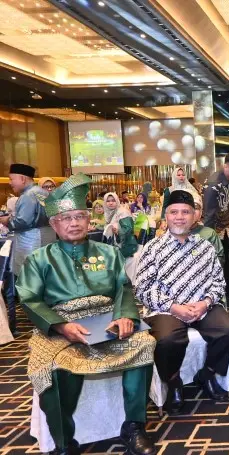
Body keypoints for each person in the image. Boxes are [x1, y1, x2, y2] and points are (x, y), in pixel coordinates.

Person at [18, 174, 156, 455]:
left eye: (79, 216)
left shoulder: (108, 253)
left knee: (144, 343)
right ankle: (64, 442)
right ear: (54, 224)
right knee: (50, 367)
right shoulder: (39, 259)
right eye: (66, 218)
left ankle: (134, 426)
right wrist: (61, 326)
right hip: (61, 326)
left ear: (88, 219)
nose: (74, 223)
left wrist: (124, 315)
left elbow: (123, 287)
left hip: (107, 321)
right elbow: (29, 299)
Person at [135, 190, 229, 416]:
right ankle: (174, 382)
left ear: (194, 216)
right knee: (167, 339)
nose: (180, 217)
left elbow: (218, 282)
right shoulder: (153, 248)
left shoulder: (205, 247)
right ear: (166, 216)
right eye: (174, 212)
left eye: (185, 212)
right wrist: (174, 307)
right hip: (165, 308)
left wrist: (205, 303)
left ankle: (207, 373)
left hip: (202, 306)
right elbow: (142, 288)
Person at [0, 164, 53, 274]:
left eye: (11, 179)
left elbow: (22, 221)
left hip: (31, 241)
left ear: (22, 179)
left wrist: (6, 221)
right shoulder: (43, 192)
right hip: (47, 237)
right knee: (45, 272)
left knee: (30, 275)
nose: (10, 183)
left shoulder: (28, 195)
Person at [190, 193, 224, 266]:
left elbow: (219, 258)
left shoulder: (209, 234)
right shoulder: (173, 234)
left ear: (201, 212)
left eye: (196, 208)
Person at [103, 192, 138, 260]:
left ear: (117, 201)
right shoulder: (109, 213)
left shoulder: (122, 212)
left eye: (113, 200)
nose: (110, 203)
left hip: (126, 246)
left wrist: (118, 231)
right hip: (114, 244)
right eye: (108, 201)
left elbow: (128, 229)